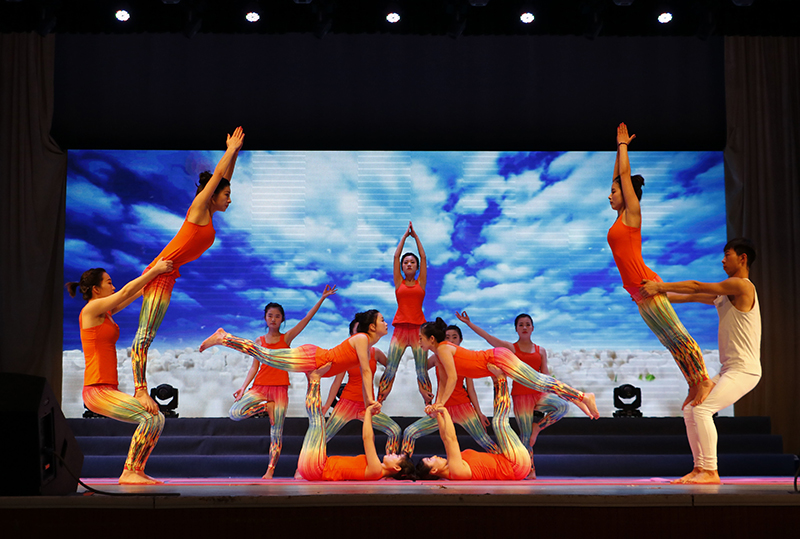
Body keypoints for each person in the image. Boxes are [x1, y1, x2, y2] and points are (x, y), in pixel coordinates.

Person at [130, 127, 245, 413]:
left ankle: (139, 389)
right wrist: (229, 150)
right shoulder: (198, 210)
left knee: (143, 331)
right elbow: (217, 179)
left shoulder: (208, 213)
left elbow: (223, 179)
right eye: (226, 195)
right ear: (212, 195)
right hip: (159, 274)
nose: (230, 199)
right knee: (144, 337)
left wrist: (235, 154)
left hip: (167, 276)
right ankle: (140, 391)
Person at [607, 122, 712, 407]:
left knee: (679, 337)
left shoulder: (632, 214)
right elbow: (618, 177)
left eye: (614, 191)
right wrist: (618, 153)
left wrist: (623, 146)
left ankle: (704, 380)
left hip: (646, 285)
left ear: (627, 194)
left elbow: (623, 176)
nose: (610, 195)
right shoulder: (619, 218)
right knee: (669, 342)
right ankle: (693, 383)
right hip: (638, 294)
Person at [640, 238, 761, 485]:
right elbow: (689, 297)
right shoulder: (725, 294)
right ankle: (699, 469)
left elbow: (696, 286)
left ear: (743, 258)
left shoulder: (742, 286)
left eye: (727, 255)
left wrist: (658, 287)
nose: (722, 260)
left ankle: (711, 471)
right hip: (730, 370)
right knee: (690, 409)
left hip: (745, 371)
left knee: (702, 409)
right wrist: (649, 298)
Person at [65, 258, 173, 485]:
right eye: (108, 282)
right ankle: (129, 472)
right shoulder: (91, 309)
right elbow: (125, 292)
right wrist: (154, 270)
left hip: (107, 388)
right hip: (96, 390)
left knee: (156, 418)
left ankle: (136, 471)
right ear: (96, 289)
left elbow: (131, 294)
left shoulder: (105, 313)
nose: (113, 286)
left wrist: (153, 280)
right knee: (151, 418)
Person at [230, 285, 337, 479]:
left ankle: (270, 470)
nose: (273, 319)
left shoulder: (286, 338)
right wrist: (243, 387)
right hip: (260, 387)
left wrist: (322, 299)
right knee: (235, 412)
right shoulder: (259, 341)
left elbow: (306, 320)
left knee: (276, 433)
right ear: (265, 318)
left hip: (280, 390)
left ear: (282, 319)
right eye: (270, 316)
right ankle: (266, 408)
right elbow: (254, 367)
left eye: (277, 316)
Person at [455, 311, 568, 479]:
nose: (524, 327)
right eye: (521, 325)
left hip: (539, 394)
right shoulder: (511, 348)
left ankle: (538, 428)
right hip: (521, 397)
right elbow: (488, 337)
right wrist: (469, 323)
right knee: (526, 438)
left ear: (533, 328)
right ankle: (530, 470)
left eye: (527, 324)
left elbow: (545, 374)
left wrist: (558, 390)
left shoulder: (541, 350)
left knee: (562, 406)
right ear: (516, 329)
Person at [200, 310, 388, 408]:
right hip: (313, 358)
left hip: (316, 364)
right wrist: (370, 401)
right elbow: (366, 372)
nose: (386, 323)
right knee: (265, 355)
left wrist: (370, 402)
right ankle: (224, 337)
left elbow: (363, 373)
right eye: (382, 320)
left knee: (266, 355)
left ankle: (225, 338)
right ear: (372, 327)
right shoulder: (361, 339)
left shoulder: (366, 346)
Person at [419, 318, 599, 420]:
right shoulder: (440, 354)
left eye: (421, 338)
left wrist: (439, 404)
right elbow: (444, 383)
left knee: (538, 381)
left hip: (497, 358)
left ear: (431, 339)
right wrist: (436, 405)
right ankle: (578, 398)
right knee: (539, 381)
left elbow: (452, 379)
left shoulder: (443, 349)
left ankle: (582, 396)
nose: (419, 342)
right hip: (496, 359)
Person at [401, 324, 499, 458]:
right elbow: (420, 371)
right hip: (442, 408)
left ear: (460, 340)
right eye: (448, 337)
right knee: (409, 432)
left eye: (454, 337)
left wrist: (479, 412)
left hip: (462, 407)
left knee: (484, 441)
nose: (451, 340)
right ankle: (403, 465)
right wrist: (422, 389)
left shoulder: (464, 358)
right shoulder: (437, 356)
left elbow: (471, 389)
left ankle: (505, 464)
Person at [416, 365, 529, 480]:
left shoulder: (452, 465)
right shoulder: (456, 470)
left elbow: (445, 437)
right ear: (434, 470)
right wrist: (444, 410)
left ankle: (498, 381)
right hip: (515, 467)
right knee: (499, 423)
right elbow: (451, 439)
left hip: (508, 462)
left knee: (498, 422)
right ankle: (501, 380)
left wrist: (438, 413)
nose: (435, 456)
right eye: (430, 459)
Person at [297, 372, 415, 481]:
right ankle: (312, 379)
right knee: (316, 420)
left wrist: (368, 412)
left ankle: (313, 378)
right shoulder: (376, 470)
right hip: (318, 467)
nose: (393, 453)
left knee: (316, 420)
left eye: (397, 456)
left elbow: (367, 439)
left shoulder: (376, 470)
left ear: (396, 468)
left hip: (317, 468)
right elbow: (369, 440)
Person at [322, 319, 402, 455]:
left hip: (367, 406)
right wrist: (326, 406)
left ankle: (390, 463)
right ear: (351, 336)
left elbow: (392, 368)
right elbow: (336, 383)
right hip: (347, 403)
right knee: (323, 436)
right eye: (357, 333)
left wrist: (386, 388)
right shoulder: (347, 355)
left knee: (395, 431)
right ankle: (306, 465)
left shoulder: (375, 352)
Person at [377, 222, 433, 405]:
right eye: (406, 262)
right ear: (402, 267)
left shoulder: (421, 282)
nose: (409, 264)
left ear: (417, 267)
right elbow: (395, 256)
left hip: (418, 332)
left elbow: (423, 257)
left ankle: (429, 405)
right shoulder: (399, 282)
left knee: (421, 371)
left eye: (412, 262)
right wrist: (404, 237)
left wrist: (415, 237)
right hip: (400, 330)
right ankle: (379, 402)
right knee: (390, 368)